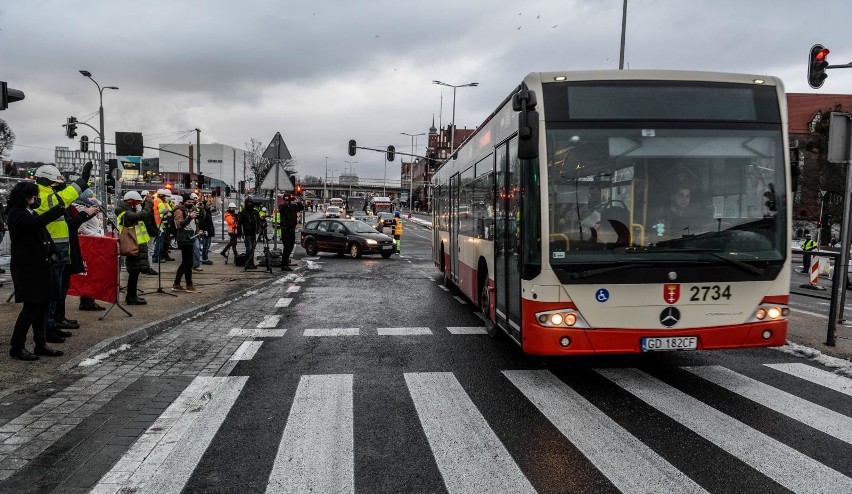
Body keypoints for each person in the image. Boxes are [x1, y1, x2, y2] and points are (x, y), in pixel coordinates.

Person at [6, 181, 67, 360]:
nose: (36, 199)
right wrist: (57, 210)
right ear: (25, 197)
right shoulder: (17, 214)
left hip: (41, 266)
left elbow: (44, 234)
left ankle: (41, 344)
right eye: (33, 196)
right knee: (31, 308)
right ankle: (17, 346)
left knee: (42, 305)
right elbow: (36, 223)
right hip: (28, 268)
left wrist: (55, 252)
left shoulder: (28, 212)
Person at [34, 163, 93, 339]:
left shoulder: (48, 193)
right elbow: (64, 198)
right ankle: (48, 328)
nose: (58, 186)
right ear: (46, 182)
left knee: (56, 292)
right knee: (51, 295)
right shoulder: (42, 196)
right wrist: (82, 181)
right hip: (50, 253)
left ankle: (51, 325)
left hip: (58, 251)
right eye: (54, 183)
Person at [116, 191, 154, 304]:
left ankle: (132, 295)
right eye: (137, 202)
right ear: (130, 202)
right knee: (133, 273)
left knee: (135, 272)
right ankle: (131, 297)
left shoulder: (130, 211)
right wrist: (148, 204)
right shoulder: (125, 214)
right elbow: (141, 216)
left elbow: (145, 218)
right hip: (133, 246)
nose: (138, 204)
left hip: (137, 245)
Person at [76, 198, 107, 311]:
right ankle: (87, 301)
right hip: (90, 244)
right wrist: (97, 236)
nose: (98, 210)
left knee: (91, 273)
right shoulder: (85, 213)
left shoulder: (91, 214)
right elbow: (81, 228)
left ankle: (88, 300)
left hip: (93, 244)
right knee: (89, 273)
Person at [172, 193, 201, 292]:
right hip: (184, 239)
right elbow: (179, 225)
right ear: (184, 201)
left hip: (189, 238)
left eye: (192, 202)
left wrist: (197, 231)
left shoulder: (189, 210)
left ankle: (177, 283)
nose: (191, 204)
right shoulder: (179, 211)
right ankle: (189, 285)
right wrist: (189, 217)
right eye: (189, 202)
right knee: (188, 263)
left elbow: (192, 224)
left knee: (186, 263)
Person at [277, 194, 304, 271]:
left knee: (291, 247)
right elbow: (281, 210)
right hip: (285, 229)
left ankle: (285, 262)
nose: (288, 200)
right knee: (287, 247)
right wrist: (286, 203)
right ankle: (284, 265)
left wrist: (297, 201)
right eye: (287, 199)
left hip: (292, 229)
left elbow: (301, 207)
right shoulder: (282, 206)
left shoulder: (293, 207)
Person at [237, 197, 261, 269]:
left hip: (253, 232)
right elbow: (239, 224)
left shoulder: (255, 212)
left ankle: (251, 263)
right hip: (247, 233)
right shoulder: (243, 212)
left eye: (251, 202)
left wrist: (259, 229)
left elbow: (258, 221)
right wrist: (239, 233)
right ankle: (248, 263)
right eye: (248, 202)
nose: (249, 204)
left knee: (252, 248)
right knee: (249, 248)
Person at [199, 199, 214, 265]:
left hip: (209, 231)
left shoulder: (208, 212)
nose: (209, 205)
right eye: (208, 204)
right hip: (206, 231)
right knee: (205, 246)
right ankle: (205, 259)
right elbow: (202, 223)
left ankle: (205, 258)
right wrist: (205, 231)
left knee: (207, 245)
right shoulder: (204, 212)